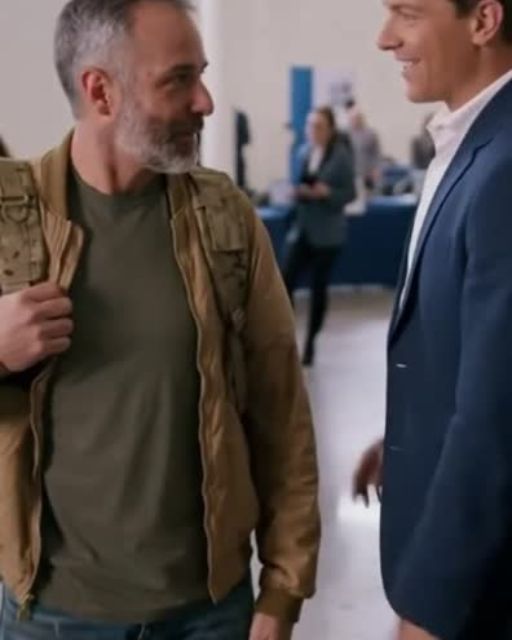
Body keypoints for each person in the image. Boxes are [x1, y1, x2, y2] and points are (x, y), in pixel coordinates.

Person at [0, 1, 320, 639]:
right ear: (101, 91)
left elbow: (281, 412)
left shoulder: (224, 221)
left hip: (210, 614)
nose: (205, 101)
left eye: (201, 75)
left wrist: (283, 591)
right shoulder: (9, 216)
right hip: (51, 617)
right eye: (178, 80)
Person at [353, 0, 512, 638]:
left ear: (483, 22)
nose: (385, 38)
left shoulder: (505, 166)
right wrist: (406, 438)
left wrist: (429, 606)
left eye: (408, 13)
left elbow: (498, 418)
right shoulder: (472, 142)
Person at [283, 106, 355, 366]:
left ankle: (311, 343)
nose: (312, 131)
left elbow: (349, 193)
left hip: (328, 234)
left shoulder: (341, 156)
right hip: (303, 227)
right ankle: (285, 339)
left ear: (330, 129)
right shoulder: (303, 152)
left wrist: (328, 194)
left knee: (318, 288)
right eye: (310, 125)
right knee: (284, 281)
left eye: (318, 126)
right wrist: (296, 192)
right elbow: (298, 183)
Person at [347, 108, 382, 192]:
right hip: (352, 173)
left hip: (367, 172)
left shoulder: (370, 134)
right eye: (352, 119)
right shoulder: (346, 135)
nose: (354, 121)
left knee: (368, 194)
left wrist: (376, 169)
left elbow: (377, 154)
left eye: (356, 118)